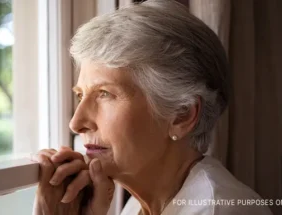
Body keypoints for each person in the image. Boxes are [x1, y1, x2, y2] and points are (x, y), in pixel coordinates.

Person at [31, 0, 273, 214]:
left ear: (182, 114)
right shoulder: (141, 204)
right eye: (80, 95)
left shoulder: (218, 210)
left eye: (104, 94)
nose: (76, 123)